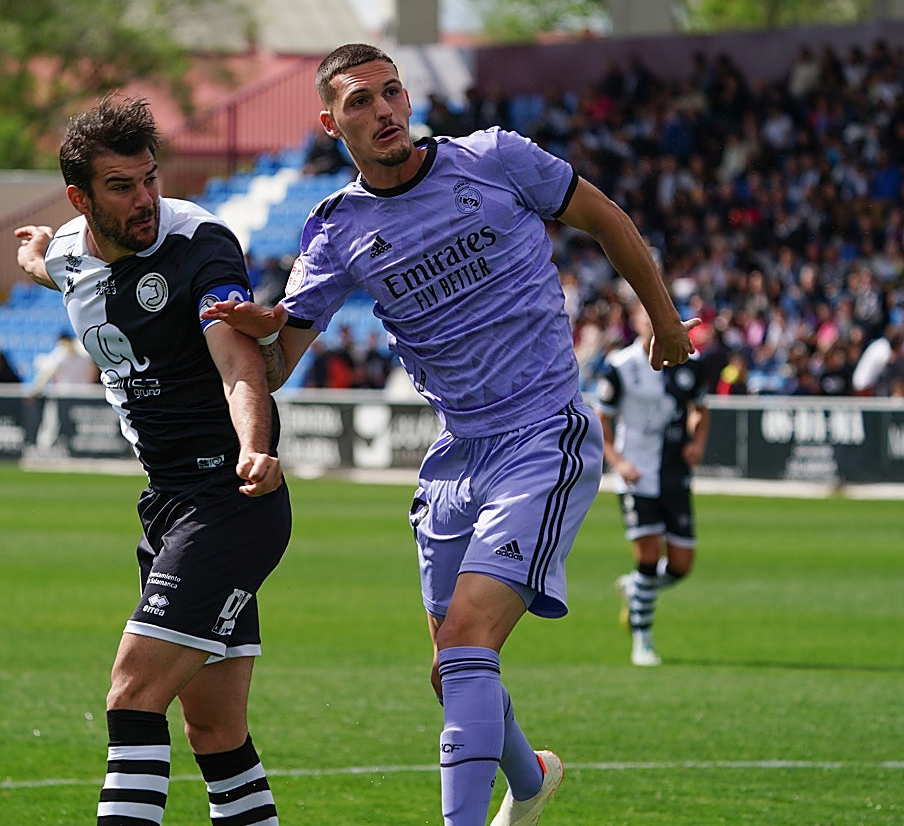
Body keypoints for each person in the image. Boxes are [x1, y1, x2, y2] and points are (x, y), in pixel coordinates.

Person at [202, 43, 699, 826]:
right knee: (452, 669)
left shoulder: (495, 159)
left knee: (469, 642)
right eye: (360, 102)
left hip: (543, 435)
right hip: (456, 459)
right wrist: (246, 330)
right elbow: (280, 358)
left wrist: (664, 322)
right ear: (333, 125)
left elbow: (606, 219)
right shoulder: (336, 229)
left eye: (391, 92)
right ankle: (529, 778)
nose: (384, 110)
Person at [13, 92, 289, 826]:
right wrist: (33, 255)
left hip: (230, 500)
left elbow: (238, 363)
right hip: (168, 504)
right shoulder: (73, 249)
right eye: (121, 187)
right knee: (215, 731)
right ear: (81, 198)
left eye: (150, 180)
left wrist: (257, 446)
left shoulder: (200, 243)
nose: (144, 201)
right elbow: (62, 269)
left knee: (132, 695)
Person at [593, 304, 710, 667]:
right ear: (636, 323)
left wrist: (697, 443)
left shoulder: (688, 359)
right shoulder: (620, 366)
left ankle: (635, 589)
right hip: (637, 474)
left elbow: (701, 408)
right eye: (646, 317)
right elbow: (602, 420)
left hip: (674, 473)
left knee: (680, 565)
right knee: (648, 558)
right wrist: (617, 461)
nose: (653, 322)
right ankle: (642, 641)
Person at [28, 332, 100, 395]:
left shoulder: (84, 355)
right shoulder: (59, 356)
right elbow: (47, 372)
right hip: (65, 394)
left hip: (84, 393)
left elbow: (94, 370)